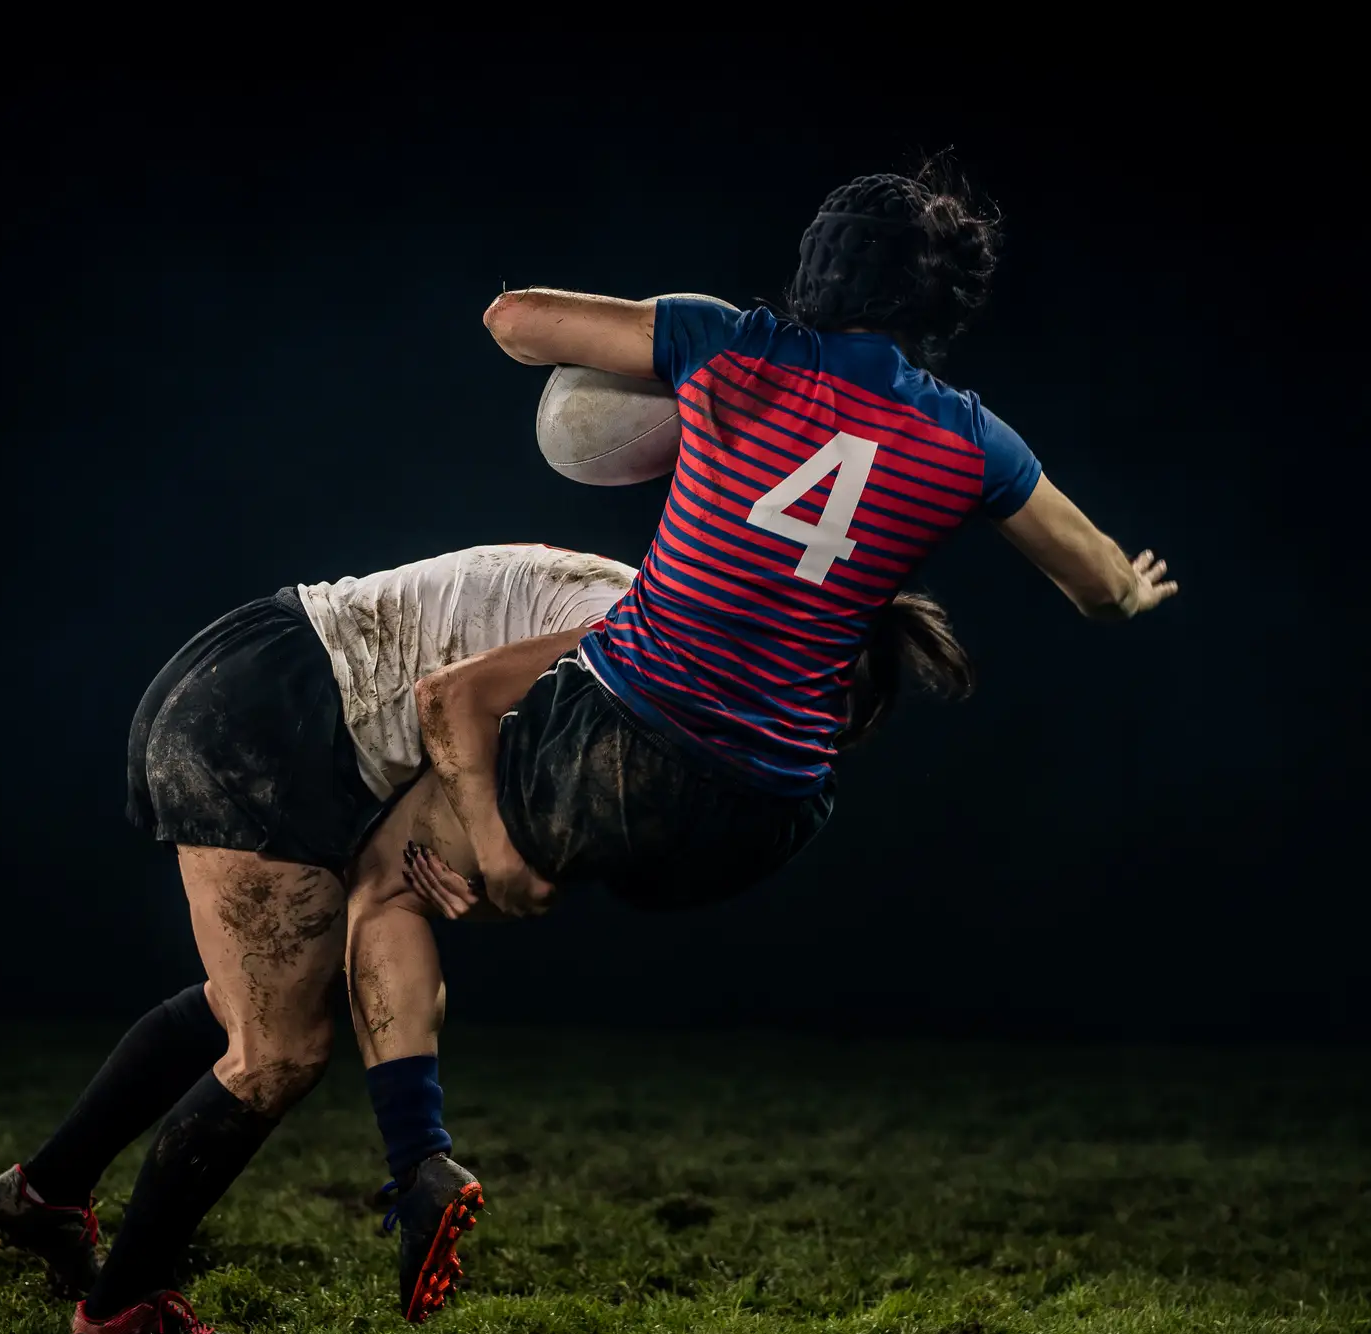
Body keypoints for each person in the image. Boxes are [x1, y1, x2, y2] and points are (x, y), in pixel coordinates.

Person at [0, 543, 976, 1334]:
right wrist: (495, 845)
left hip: (306, 712)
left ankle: (40, 1194)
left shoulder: (685, 677)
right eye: (826, 690)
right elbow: (448, 697)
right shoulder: (653, 640)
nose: (808, 718)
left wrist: (476, 848)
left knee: (264, 1001)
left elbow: (450, 790)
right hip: (271, 707)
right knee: (278, 1048)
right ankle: (120, 1308)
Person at [399, 163, 1177, 935]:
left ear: (817, 262)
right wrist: (1134, 592)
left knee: (387, 888)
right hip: (766, 813)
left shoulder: (725, 343)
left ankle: (494, 886)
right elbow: (1103, 589)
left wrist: (675, 341)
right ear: (942, 292)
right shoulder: (975, 444)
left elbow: (513, 321)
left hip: (621, 750)